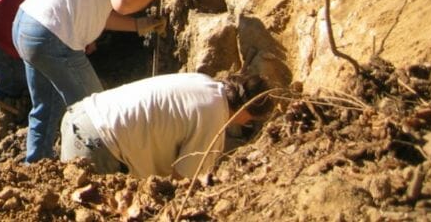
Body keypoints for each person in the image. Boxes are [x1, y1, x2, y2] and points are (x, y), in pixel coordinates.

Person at [13, 0, 173, 162]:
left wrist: (139, 26)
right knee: (100, 114)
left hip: (26, 26)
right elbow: (125, 1)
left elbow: (98, 11)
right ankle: (101, 172)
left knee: (47, 106)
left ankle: (35, 165)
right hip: (53, 37)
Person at [60, 73, 273, 178]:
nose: (246, 124)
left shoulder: (205, 82)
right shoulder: (214, 117)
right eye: (251, 121)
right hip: (98, 143)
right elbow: (181, 181)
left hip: (80, 115)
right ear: (247, 111)